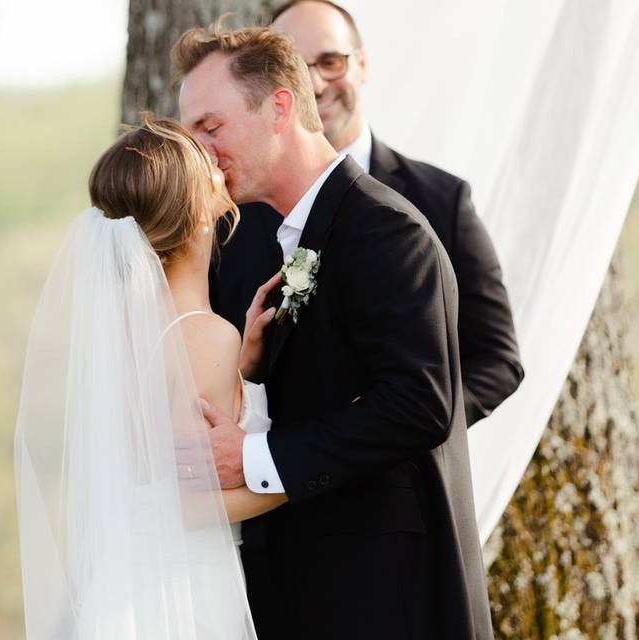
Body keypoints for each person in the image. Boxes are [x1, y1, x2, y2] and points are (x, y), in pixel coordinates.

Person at [175, 21, 494, 640]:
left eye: (210, 128)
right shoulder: (291, 231)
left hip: (388, 596)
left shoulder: (383, 229)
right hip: (319, 587)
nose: (199, 152)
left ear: (279, 108)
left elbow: (419, 404)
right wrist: (252, 375)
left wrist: (254, 457)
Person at [14, 115, 285, 639]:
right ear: (202, 216)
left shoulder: (116, 336)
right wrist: (306, 476)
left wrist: (243, 376)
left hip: (123, 589)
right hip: (182, 595)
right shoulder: (205, 336)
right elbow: (190, 502)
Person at [211, 0, 523, 426]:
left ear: (362, 64)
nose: (316, 83)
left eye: (331, 61)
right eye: (297, 69)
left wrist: (399, 432)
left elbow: (497, 357)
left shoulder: (440, 199)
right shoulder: (233, 216)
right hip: (268, 478)